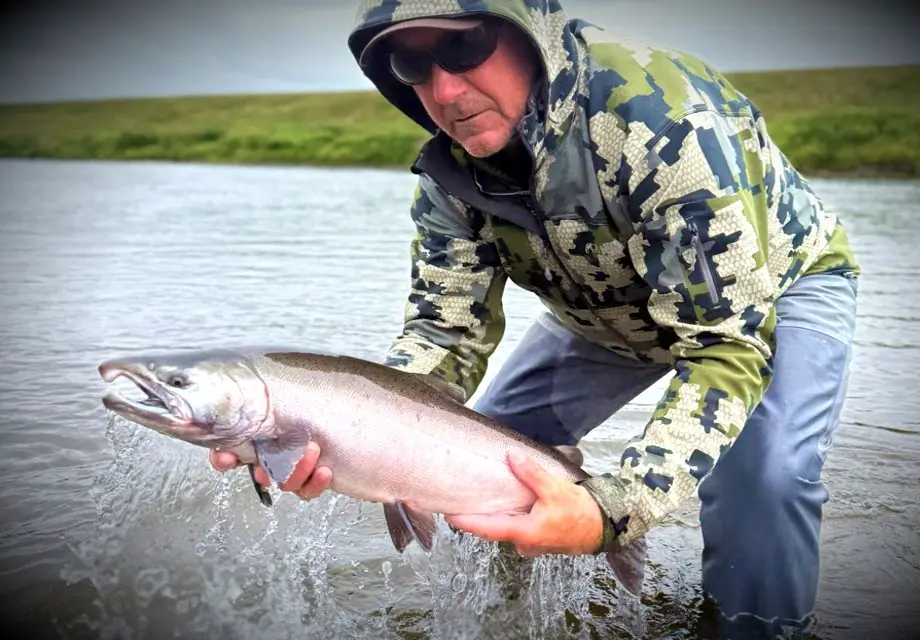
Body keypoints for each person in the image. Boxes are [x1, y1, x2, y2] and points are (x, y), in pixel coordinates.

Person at [211, 1, 860, 635]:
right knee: (470, 455)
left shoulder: (661, 120)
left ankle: (756, 627)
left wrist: (611, 510)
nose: (446, 88)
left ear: (528, 36)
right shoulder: (447, 178)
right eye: (413, 66)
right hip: (600, 316)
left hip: (769, 295)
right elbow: (445, 336)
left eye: (463, 48)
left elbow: (724, 344)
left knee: (765, 476)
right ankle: (510, 619)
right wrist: (340, 429)